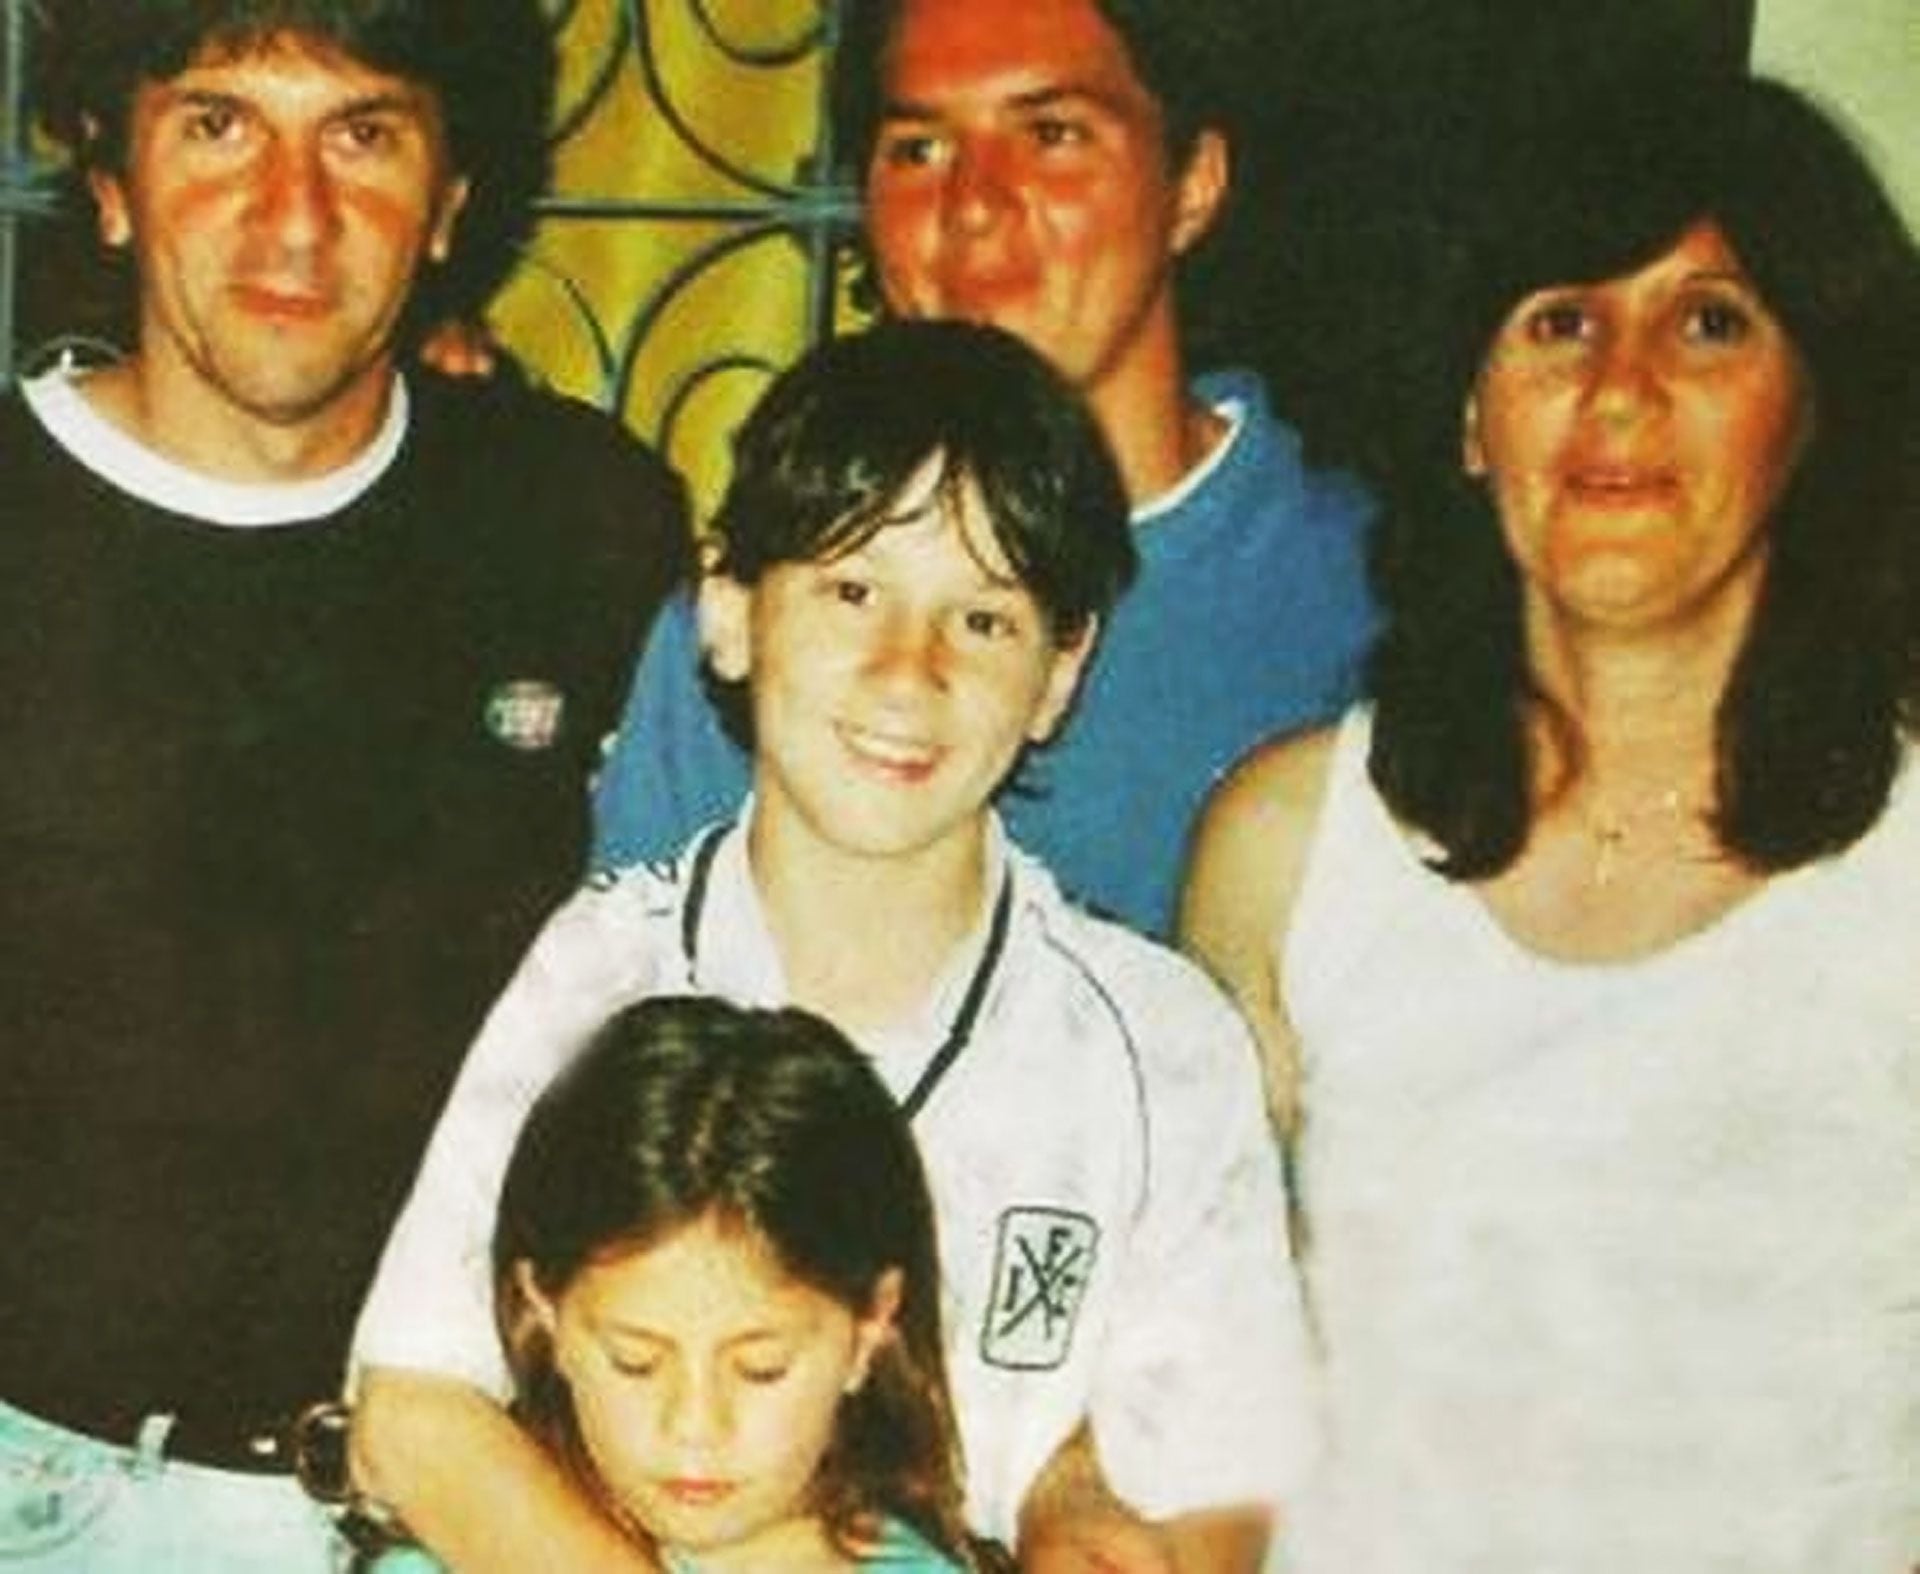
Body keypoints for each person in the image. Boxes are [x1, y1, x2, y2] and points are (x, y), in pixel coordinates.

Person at [352, 319, 1317, 1573]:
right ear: (731, 608)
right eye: (852, 593)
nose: (908, 674)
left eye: (984, 620)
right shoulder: (602, 969)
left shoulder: (1157, 1041)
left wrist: (1088, 1499)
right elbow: (413, 1408)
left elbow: (1224, 1477)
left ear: (1061, 668)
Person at [1180, 72, 1920, 1569]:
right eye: (1560, 321)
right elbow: (1192, 1367)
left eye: (1709, 322)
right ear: (1471, 415)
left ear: (1813, 414)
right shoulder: (1292, 845)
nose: (1621, 389)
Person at [0, 3, 686, 1568]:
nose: (293, 213)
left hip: (499, 1497)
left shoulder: (578, 519)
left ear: (451, 201)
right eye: (219, 125)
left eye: (363, 134)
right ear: (109, 179)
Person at [589, 0, 1377, 937]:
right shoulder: (776, 599)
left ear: (1194, 184)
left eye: (1051, 135)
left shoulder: (1362, 593)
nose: (972, 204)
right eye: (919, 149)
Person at [494, 996, 971, 1573]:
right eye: (634, 1363)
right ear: (546, 1313)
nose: (695, 1428)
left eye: (761, 1370)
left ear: (869, 1329)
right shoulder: (455, 1540)